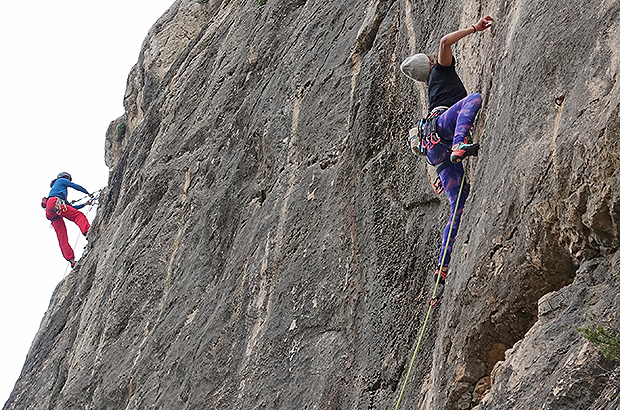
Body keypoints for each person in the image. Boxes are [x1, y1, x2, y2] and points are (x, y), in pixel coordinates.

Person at [400, 16, 493, 294]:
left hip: (433, 147)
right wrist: (474, 29)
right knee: (473, 99)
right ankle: (461, 143)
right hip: (445, 128)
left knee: (458, 205)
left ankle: (443, 264)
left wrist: (439, 171)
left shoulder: (431, 88)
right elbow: (445, 42)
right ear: (430, 63)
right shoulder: (441, 69)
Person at [42, 172, 93, 268]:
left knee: (62, 237)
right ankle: (88, 232)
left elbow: (71, 208)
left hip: (51, 211)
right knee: (78, 216)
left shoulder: (56, 190)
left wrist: (84, 204)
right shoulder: (61, 181)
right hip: (55, 203)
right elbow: (75, 186)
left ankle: (72, 261)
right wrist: (87, 192)